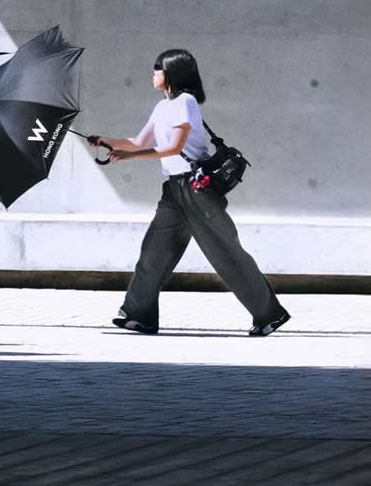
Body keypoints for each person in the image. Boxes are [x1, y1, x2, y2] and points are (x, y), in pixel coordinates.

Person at [89, 48, 290, 337]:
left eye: (157, 69)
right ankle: (139, 314)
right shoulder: (162, 107)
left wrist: (130, 157)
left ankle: (269, 314)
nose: (153, 74)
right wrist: (105, 141)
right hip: (173, 190)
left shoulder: (186, 102)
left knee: (224, 251)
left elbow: (174, 147)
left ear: (171, 73)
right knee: (154, 251)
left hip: (197, 189)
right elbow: (138, 141)